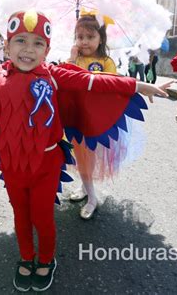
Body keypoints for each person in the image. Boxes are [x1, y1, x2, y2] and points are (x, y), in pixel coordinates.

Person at [0, 10, 169, 292]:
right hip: (11, 163)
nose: (28, 49)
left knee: (42, 216)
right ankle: (26, 257)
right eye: (21, 41)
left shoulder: (54, 74)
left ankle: (47, 260)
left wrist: (139, 85)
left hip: (45, 164)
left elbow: (94, 82)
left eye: (37, 43)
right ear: (7, 45)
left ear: (47, 49)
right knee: (20, 214)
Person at [66, 14, 117, 220]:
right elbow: (63, 79)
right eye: (79, 36)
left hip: (96, 119)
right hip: (75, 117)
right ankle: (87, 189)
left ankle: (92, 197)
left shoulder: (106, 61)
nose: (84, 41)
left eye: (89, 36)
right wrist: (71, 59)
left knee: (89, 159)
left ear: (101, 38)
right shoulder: (75, 59)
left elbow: (113, 86)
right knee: (81, 157)